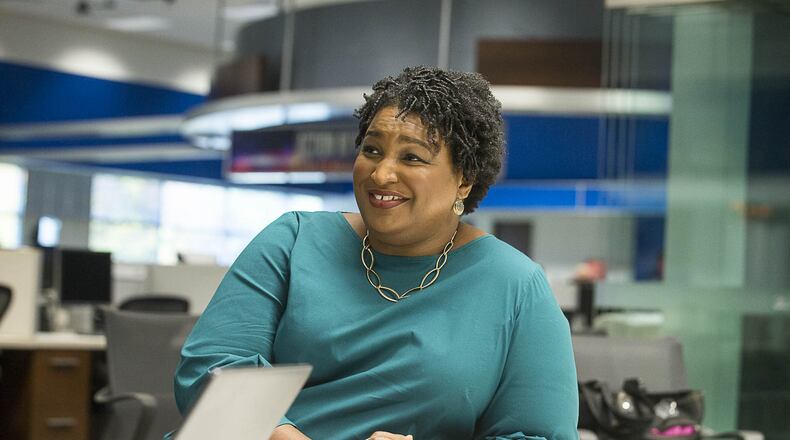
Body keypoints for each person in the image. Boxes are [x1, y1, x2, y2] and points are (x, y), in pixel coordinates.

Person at [173, 66, 579, 440]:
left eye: (412, 157)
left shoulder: (515, 285)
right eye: (371, 150)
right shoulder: (293, 240)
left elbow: (538, 434)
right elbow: (213, 365)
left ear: (464, 180)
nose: (382, 174)